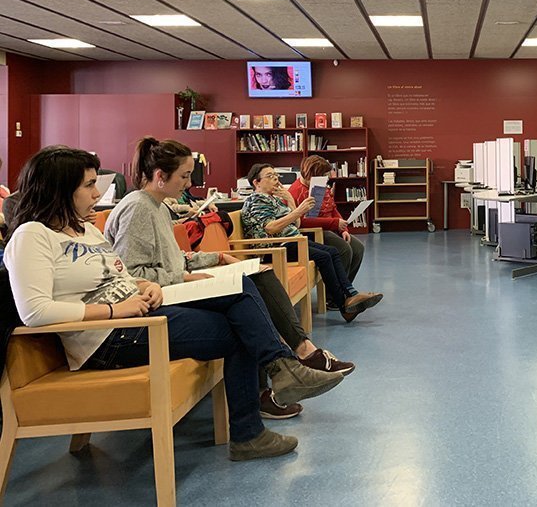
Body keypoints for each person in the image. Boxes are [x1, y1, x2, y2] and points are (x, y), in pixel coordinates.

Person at [3, 147, 347, 461]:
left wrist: (145, 286)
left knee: (242, 304)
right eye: (89, 185)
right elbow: (35, 312)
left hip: (139, 316)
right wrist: (114, 310)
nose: (97, 193)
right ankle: (274, 385)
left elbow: (120, 274)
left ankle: (265, 403)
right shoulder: (32, 235)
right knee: (242, 304)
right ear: (60, 189)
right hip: (108, 337)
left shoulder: (86, 231)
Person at [105, 137, 356, 419]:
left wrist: (219, 258)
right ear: (161, 176)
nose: (189, 184)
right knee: (244, 293)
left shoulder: (159, 207)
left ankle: (299, 355)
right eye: (184, 176)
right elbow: (132, 275)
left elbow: (174, 258)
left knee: (258, 274)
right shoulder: (138, 209)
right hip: (158, 296)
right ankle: (287, 369)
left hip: (173, 284)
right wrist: (184, 276)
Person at [242, 163, 382, 321]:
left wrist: (289, 200)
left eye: (276, 175)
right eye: (270, 176)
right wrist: (299, 210)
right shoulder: (257, 200)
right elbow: (270, 228)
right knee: (325, 256)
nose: (275, 179)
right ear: (256, 182)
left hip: (292, 241)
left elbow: (296, 224)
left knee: (332, 252)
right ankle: (344, 305)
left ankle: (351, 294)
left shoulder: (274, 199)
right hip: (274, 249)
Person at [290, 155, 365, 286]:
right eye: (323, 175)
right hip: (313, 231)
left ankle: (346, 287)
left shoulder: (320, 186)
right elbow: (301, 221)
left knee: (358, 248)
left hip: (330, 227)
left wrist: (344, 229)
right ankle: (335, 293)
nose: (327, 179)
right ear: (312, 175)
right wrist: (334, 224)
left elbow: (333, 209)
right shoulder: (295, 192)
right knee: (344, 249)